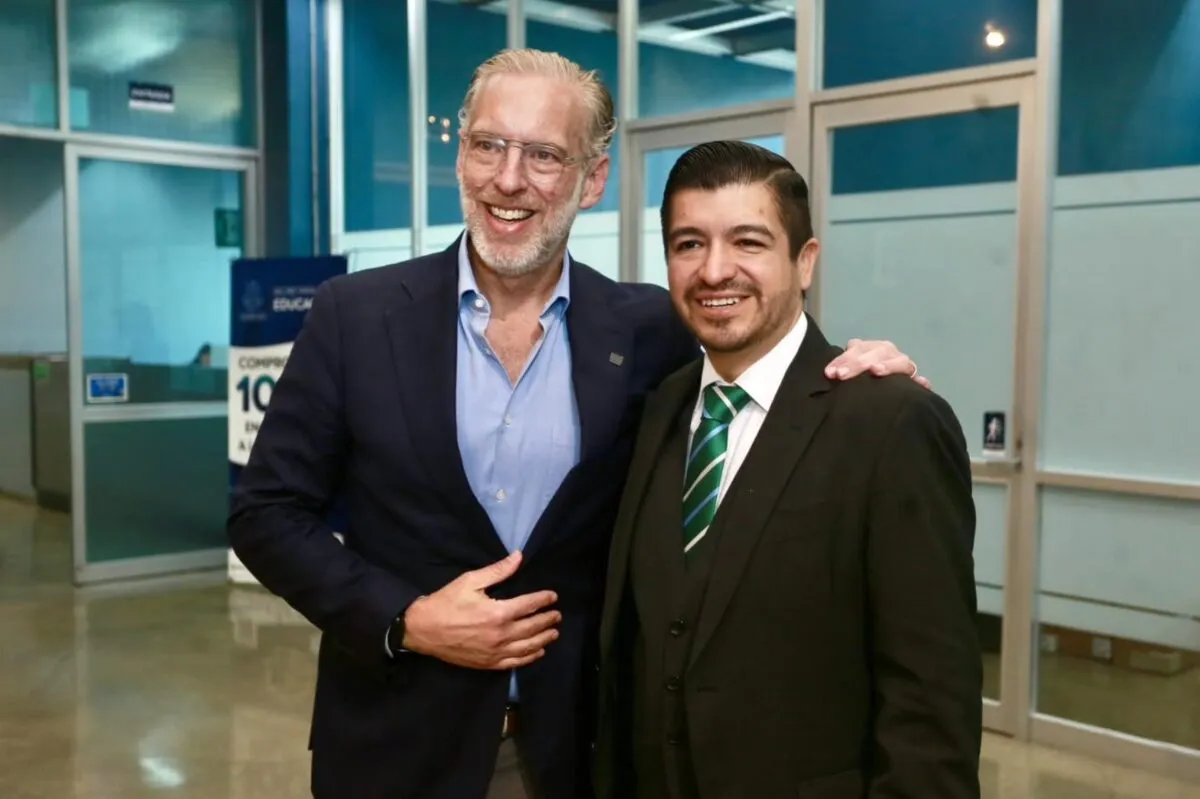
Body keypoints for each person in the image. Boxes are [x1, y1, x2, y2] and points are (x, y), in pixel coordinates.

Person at [227, 51, 924, 799]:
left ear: (592, 180)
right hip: (394, 746)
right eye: (488, 145)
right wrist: (406, 619)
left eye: (544, 155)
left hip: (573, 755)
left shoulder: (651, 329)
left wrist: (853, 372)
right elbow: (266, 513)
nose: (509, 179)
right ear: (461, 157)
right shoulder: (356, 316)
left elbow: (759, 372)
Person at [593, 141, 982, 799]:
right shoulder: (660, 407)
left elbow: (931, 697)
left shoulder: (890, 422)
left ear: (805, 262)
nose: (715, 270)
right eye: (689, 244)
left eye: (748, 242)